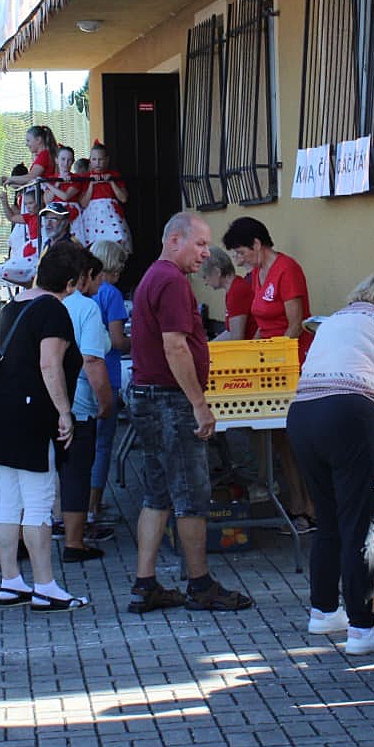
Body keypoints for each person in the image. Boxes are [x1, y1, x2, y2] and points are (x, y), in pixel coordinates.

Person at [287, 269, 374, 655]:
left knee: (328, 519)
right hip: (349, 416)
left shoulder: (333, 320)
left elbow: (338, 381)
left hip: (303, 415)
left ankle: (323, 611)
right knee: (360, 526)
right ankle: (362, 628)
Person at [126, 213, 253, 614]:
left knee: (158, 493)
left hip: (148, 396)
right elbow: (175, 346)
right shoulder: (172, 281)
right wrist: (199, 404)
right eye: (199, 244)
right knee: (191, 496)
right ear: (174, 240)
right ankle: (200, 584)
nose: (205, 254)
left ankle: (145, 583)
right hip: (170, 400)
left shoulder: (154, 276)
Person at [0, 243, 89, 612]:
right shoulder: (53, 310)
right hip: (33, 415)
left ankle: (10, 580)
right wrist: (64, 412)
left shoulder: (12, 307)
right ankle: (45, 586)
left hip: (0, 414)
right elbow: (49, 365)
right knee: (39, 503)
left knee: (8, 500)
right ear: (71, 282)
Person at [221, 216, 314, 532]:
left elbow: (295, 324)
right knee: (279, 437)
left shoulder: (287, 269)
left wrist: (274, 356)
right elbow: (263, 323)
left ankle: (310, 508)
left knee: (294, 436)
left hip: (291, 362)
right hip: (270, 362)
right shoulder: (258, 274)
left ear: (257, 244)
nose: (238, 260)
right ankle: (296, 504)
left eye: (241, 252)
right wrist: (252, 353)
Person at [59, 246, 116, 562]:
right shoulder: (86, 307)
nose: (101, 283)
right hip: (79, 403)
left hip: (48, 401)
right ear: (86, 276)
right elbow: (92, 360)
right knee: (77, 472)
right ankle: (75, 541)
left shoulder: (42, 301)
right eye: (98, 277)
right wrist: (106, 402)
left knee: (51, 472)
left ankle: (45, 531)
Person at [85, 239, 130, 539]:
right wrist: (138, 342)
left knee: (85, 444)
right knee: (102, 446)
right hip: (108, 375)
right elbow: (117, 341)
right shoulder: (111, 293)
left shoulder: (83, 292)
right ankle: (93, 507)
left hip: (83, 376)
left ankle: (80, 507)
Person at [76, 142, 132, 250]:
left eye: (101, 159)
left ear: (107, 160)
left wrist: (111, 182)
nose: (97, 163)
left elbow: (123, 198)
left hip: (112, 218)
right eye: (94, 159)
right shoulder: (85, 178)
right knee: (93, 247)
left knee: (116, 245)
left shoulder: (114, 175)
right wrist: (91, 184)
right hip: (92, 220)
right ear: (90, 160)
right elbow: (83, 204)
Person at [199, 249, 255, 340]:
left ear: (217, 272)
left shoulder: (237, 291)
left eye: (205, 277)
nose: (205, 283)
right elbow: (231, 332)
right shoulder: (234, 287)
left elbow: (237, 338)